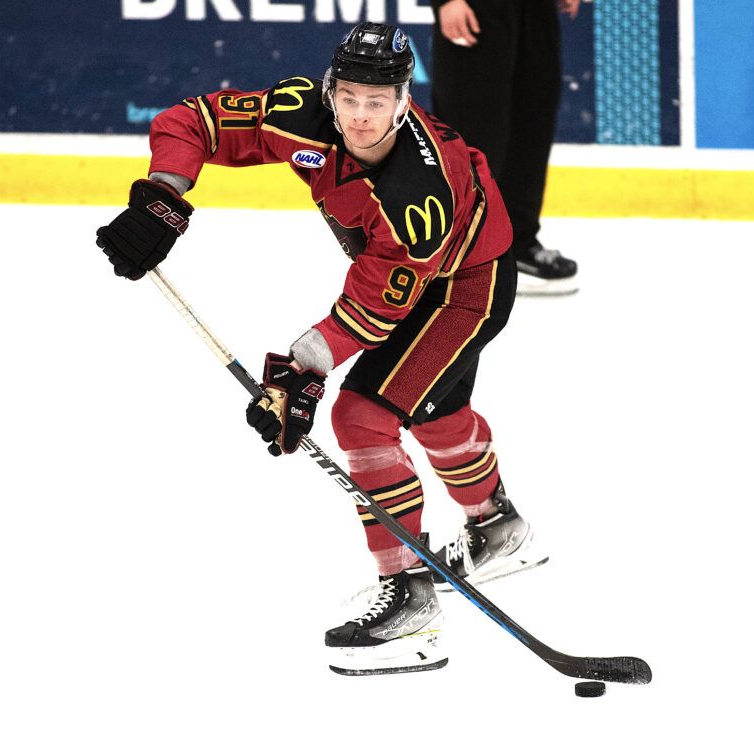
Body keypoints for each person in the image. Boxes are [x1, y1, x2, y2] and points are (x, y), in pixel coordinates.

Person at [94, 22, 547, 676]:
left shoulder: (419, 194)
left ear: (404, 103)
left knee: (363, 414)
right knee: (432, 407)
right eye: (349, 98)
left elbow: (371, 311)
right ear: (330, 90)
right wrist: (163, 197)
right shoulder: (301, 110)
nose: (360, 117)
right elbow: (195, 121)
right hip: (415, 277)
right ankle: (499, 526)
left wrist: (299, 376)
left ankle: (411, 600)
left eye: (378, 102)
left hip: (465, 287)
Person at [432, 0, 580, 295]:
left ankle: (517, 245)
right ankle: (458, 257)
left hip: (535, 11)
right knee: (473, 130)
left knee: (531, 123)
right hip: (477, 9)